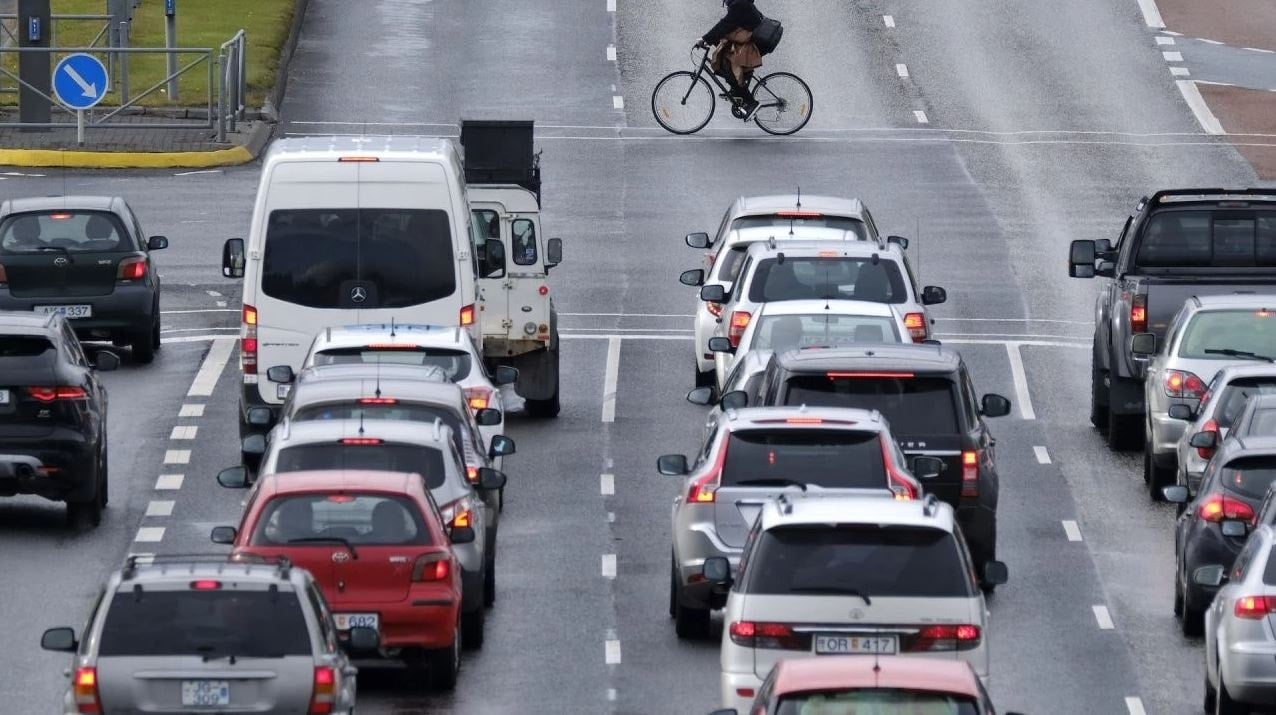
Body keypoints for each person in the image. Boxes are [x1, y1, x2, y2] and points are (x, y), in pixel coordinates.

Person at [699, 0, 764, 111]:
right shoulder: (739, 3)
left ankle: (751, 103)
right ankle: (736, 91)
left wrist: (705, 39)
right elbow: (728, 25)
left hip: (752, 44)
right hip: (751, 41)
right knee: (723, 61)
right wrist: (710, 39)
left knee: (731, 68)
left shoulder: (739, 4)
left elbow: (725, 24)